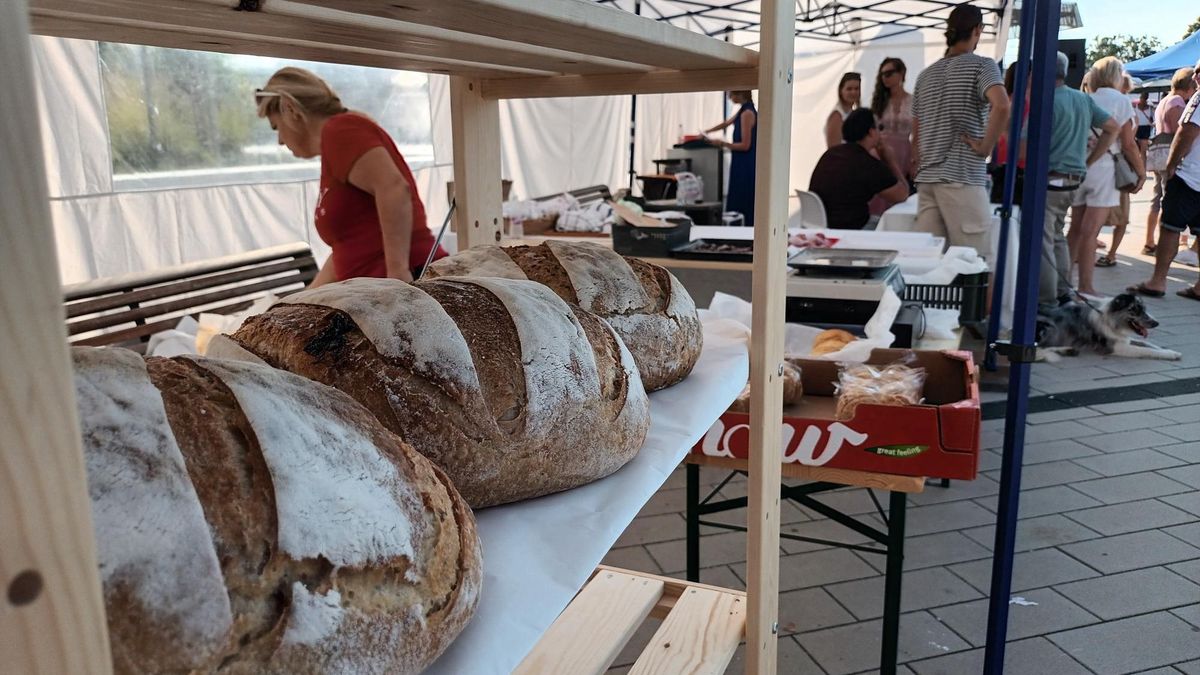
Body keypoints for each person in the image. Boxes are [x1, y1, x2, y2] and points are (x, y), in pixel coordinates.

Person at [255, 67, 445, 287]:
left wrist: (397, 274)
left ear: (290, 110)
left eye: (276, 127)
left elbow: (393, 189)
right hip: (376, 289)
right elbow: (347, 247)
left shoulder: (340, 130)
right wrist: (300, 300)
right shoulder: (336, 141)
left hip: (405, 281)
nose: (279, 140)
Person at [910, 3, 1010, 267]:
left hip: (928, 179)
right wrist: (985, 147)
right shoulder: (982, 66)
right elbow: (1001, 105)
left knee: (929, 265)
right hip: (962, 176)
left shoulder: (925, 76)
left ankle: (936, 310)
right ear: (977, 30)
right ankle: (974, 312)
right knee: (974, 263)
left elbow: (916, 134)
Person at [1037, 52, 1119, 309]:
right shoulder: (1081, 98)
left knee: (1045, 239)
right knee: (1057, 235)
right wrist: (1089, 161)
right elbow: (1113, 127)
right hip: (1073, 177)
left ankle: (1047, 298)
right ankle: (1063, 292)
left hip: (1051, 177)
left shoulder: (1046, 99)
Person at [1067, 57, 1145, 298]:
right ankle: (1086, 286)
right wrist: (1141, 172)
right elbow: (1129, 143)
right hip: (1104, 168)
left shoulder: (1084, 98)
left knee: (1075, 229)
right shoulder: (1121, 101)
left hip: (1079, 166)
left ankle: (1065, 282)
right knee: (1091, 231)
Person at [1129, 63, 1200, 299]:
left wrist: (1171, 166)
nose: (1196, 76)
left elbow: (1186, 132)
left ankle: (1157, 281)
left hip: (1190, 174)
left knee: (1170, 227)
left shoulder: (1198, 98)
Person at [809, 109, 911, 230]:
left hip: (818, 226)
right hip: (851, 229)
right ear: (871, 132)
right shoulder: (866, 164)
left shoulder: (830, 154)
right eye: (879, 127)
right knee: (893, 227)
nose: (881, 132)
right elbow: (902, 194)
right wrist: (890, 160)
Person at [1145, 68, 1198, 256]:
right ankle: (1165, 242)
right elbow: (1181, 132)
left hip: (1160, 154)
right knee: (1168, 203)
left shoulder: (1164, 100)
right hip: (1172, 157)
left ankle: (1150, 239)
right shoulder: (1177, 102)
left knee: (1157, 199)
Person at [1098, 73, 1140, 268]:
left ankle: (1092, 250)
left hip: (1102, 163)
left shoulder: (1098, 100)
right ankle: (1112, 254)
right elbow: (1128, 144)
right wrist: (1140, 171)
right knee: (1121, 215)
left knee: (1095, 213)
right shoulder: (1124, 106)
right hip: (1118, 164)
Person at [706, 90, 758, 227]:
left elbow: (746, 145)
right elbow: (726, 123)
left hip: (745, 163)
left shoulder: (747, 114)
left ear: (741, 94)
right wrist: (706, 132)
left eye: (731, 94)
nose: (729, 98)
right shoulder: (743, 110)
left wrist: (723, 143)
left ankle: (743, 229)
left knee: (742, 198)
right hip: (741, 162)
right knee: (739, 196)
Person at [871, 58, 914, 183]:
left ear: (901, 73)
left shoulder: (913, 101)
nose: (885, 77)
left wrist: (915, 159)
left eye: (889, 73)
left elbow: (919, 134)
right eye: (882, 74)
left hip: (905, 153)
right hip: (881, 152)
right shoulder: (879, 102)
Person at [824, 73, 862, 148]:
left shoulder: (852, 113)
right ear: (841, 91)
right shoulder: (837, 115)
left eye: (856, 88)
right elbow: (834, 149)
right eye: (849, 89)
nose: (853, 92)